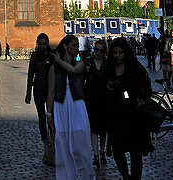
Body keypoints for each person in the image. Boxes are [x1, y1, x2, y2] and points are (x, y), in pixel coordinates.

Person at [104, 37, 152, 180]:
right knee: (118, 149)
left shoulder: (134, 68)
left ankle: (136, 177)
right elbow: (102, 88)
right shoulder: (109, 69)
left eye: (120, 52)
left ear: (126, 53)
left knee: (135, 151)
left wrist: (141, 100)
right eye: (115, 53)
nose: (118, 55)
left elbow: (146, 88)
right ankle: (125, 175)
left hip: (133, 115)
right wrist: (109, 87)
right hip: (116, 116)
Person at [47, 33, 94, 179]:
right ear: (66, 46)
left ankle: (84, 175)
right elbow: (51, 92)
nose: (77, 48)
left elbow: (73, 71)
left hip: (77, 104)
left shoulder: (81, 63)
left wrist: (59, 61)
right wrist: (48, 113)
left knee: (80, 143)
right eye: (74, 45)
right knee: (63, 143)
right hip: (61, 105)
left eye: (77, 46)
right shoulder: (54, 69)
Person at [26, 32, 54, 144]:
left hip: (50, 89)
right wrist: (28, 93)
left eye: (44, 44)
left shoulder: (52, 55)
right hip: (38, 88)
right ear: (37, 44)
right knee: (41, 116)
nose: (42, 46)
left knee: (51, 115)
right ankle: (45, 138)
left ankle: (53, 136)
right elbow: (30, 74)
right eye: (40, 44)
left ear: (47, 43)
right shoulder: (34, 56)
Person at [84, 39, 108, 170]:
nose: (98, 52)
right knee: (93, 127)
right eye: (96, 50)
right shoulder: (88, 62)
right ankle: (96, 154)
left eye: (101, 50)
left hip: (104, 99)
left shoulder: (107, 63)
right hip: (91, 99)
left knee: (103, 129)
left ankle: (103, 151)